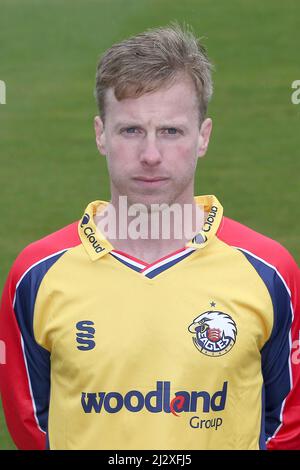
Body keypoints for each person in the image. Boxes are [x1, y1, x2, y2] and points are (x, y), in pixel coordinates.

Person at [0, 24, 299, 451]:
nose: (151, 155)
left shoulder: (270, 272)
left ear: (203, 137)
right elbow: (31, 423)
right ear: (101, 134)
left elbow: (288, 420)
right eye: (131, 130)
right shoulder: (36, 274)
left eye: (171, 131)